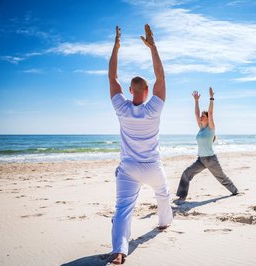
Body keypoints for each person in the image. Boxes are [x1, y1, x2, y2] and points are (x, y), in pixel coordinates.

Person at [106, 24, 173, 265]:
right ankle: (164, 222)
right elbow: (161, 77)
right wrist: (153, 47)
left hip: (129, 168)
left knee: (123, 208)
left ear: (131, 90)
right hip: (152, 166)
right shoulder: (154, 108)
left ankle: (119, 251)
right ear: (146, 91)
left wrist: (116, 46)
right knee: (163, 193)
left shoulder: (122, 108)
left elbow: (112, 77)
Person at [175, 87, 239, 204]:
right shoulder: (201, 128)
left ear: (208, 119)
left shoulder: (210, 128)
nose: (200, 117)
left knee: (221, 177)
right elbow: (195, 113)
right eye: (201, 116)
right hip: (201, 160)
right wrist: (196, 101)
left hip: (210, 159)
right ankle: (182, 196)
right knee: (186, 173)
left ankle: (235, 191)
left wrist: (211, 98)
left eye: (203, 116)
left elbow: (210, 112)